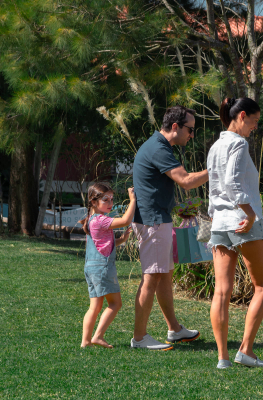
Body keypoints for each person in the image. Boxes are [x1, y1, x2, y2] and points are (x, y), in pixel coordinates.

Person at [131, 105, 209, 351]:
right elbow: (186, 181)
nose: (192, 135)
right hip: (152, 221)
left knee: (164, 275)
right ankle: (140, 338)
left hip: (158, 218)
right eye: (190, 129)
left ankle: (174, 330)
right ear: (174, 126)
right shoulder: (158, 147)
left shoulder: (159, 146)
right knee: (152, 277)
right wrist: (217, 169)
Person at [207, 97, 263, 369]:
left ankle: (223, 357)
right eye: (254, 122)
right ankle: (246, 350)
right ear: (242, 116)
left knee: (221, 291)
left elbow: (214, 188)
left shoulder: (215, 146)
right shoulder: (239, 143)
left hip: (219, 222)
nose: (254, 128)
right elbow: (234, 185)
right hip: (242, 220)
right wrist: (251, 214)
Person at [79, 183, 136, 348]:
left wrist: (122, 240)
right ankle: (98, 336)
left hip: (91, 267)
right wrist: (133, 200)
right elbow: (125, 220)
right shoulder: (101, 220)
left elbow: (103, 244)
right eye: (105, 200)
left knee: (94, 307)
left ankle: (85, 342)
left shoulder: (92, 219)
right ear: (94, 201)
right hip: (102, 268)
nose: (110, 203)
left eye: (112, 199)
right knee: (115, 303)